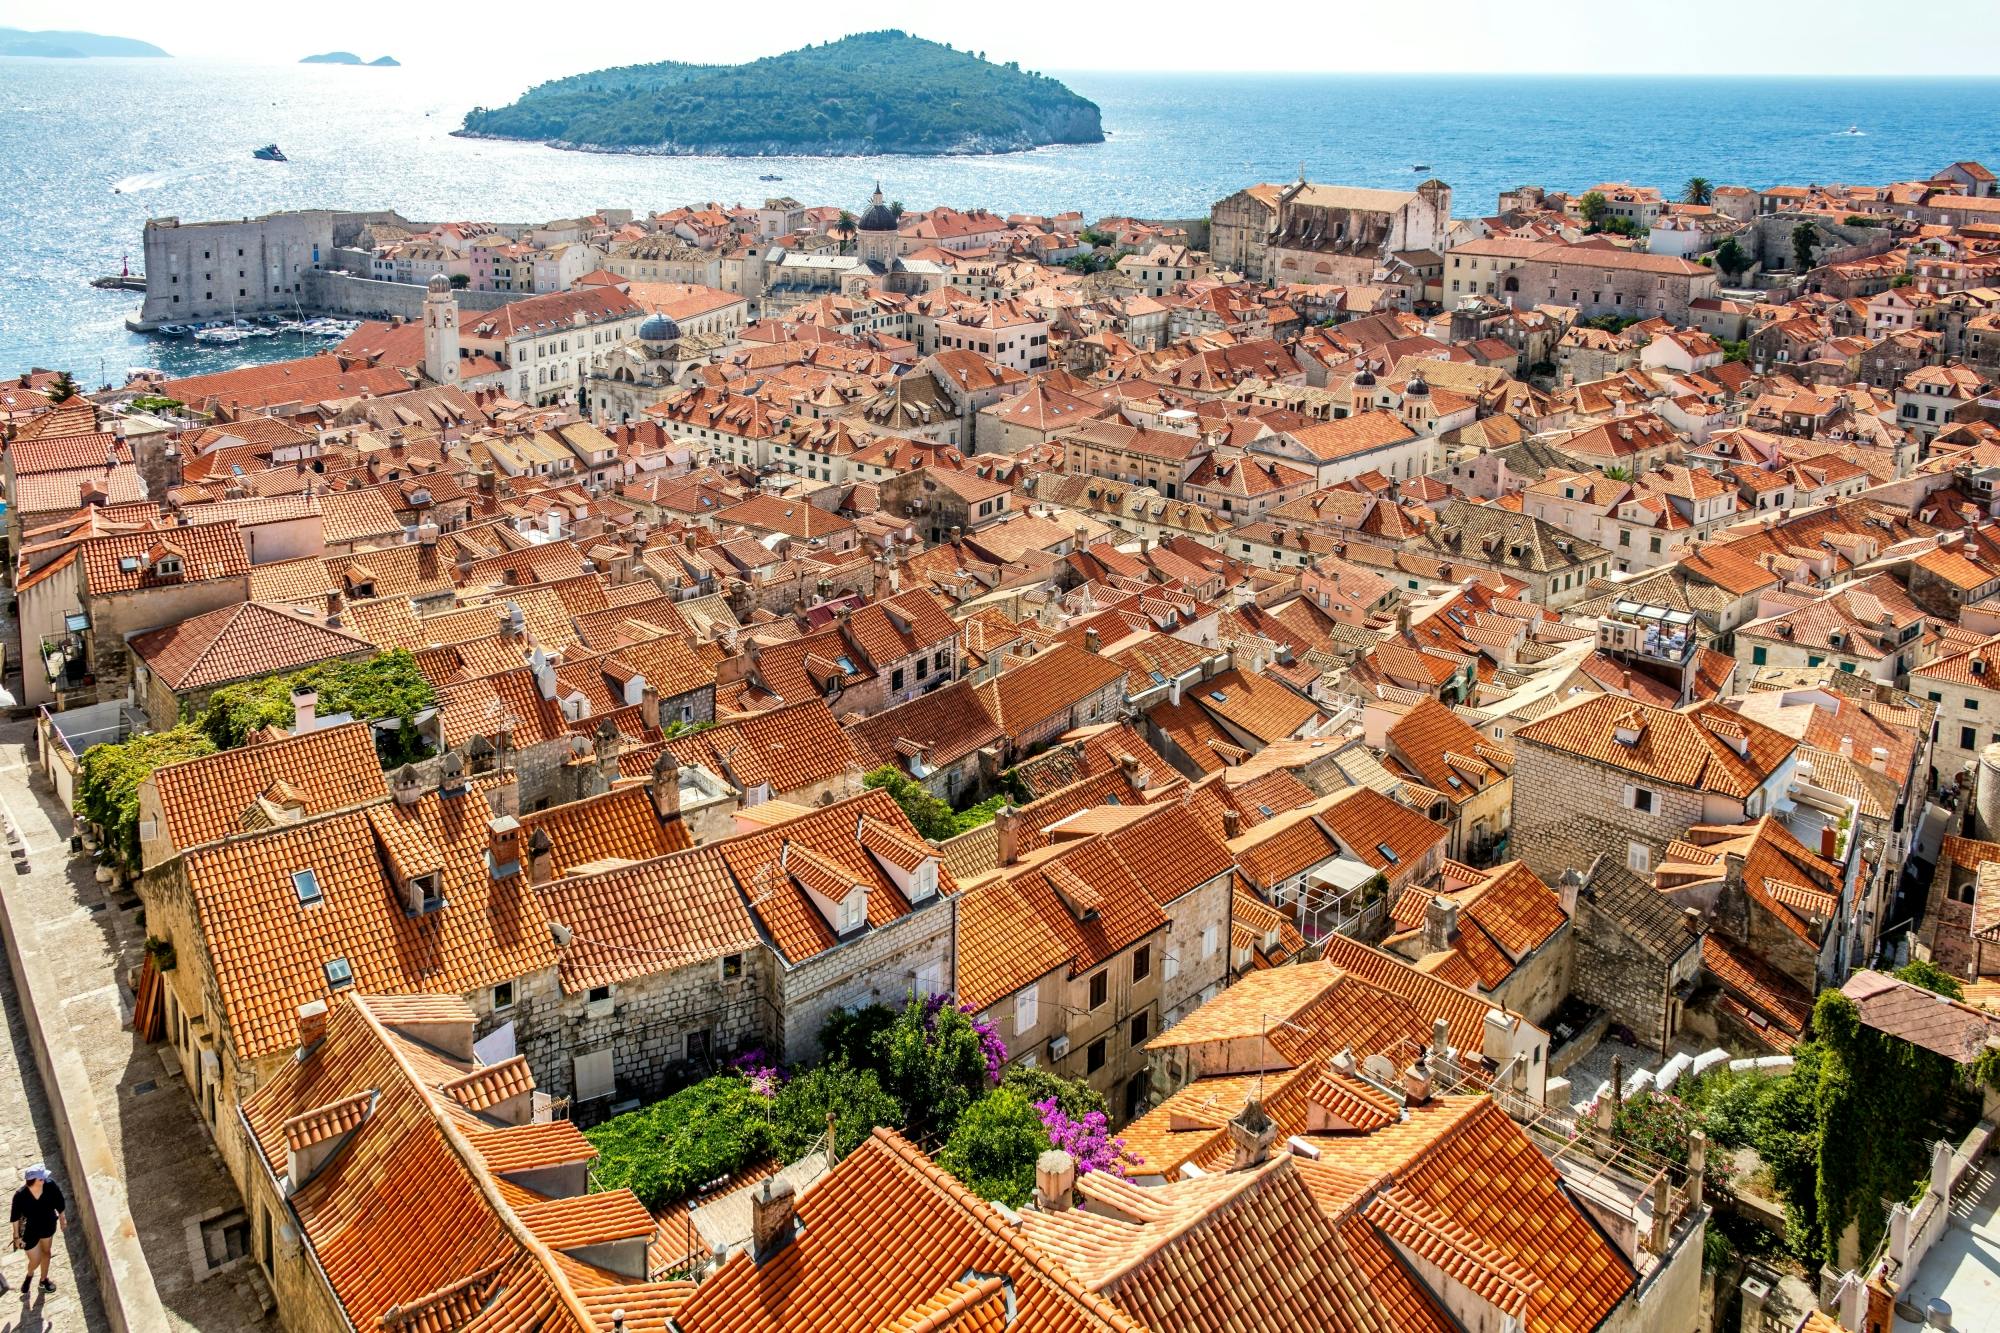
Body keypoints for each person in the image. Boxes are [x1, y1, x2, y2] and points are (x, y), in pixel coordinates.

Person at [8, 1164, 65, 1296]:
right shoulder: (20, 1196)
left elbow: (59, 1201)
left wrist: (62, 1217)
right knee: (35, 1260)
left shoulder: (50, 1185)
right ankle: (30, 1274)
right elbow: (15, 1217)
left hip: (48, 1225)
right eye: (41, 1178)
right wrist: (16, 1237)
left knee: (46, 1253)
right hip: (30, 1231)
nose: (44, 1180)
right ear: (33, 1181)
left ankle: (43, 1281)